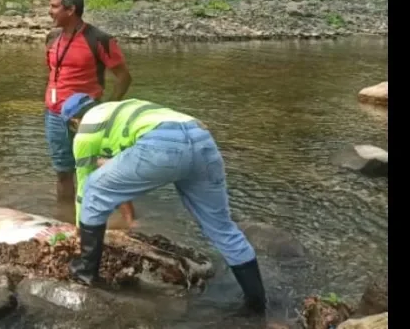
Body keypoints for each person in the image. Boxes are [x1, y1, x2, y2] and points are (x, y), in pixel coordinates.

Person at [60, 93, 267, 315]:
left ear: (74, 122)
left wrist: (80, 228)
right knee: (223, 228)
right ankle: (257, 306)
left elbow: (85, 188)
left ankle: (85, 272)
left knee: (94, 188)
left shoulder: (85, 132)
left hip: (162, 146)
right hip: (201, 137)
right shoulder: (120, 110)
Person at [44, 0, 132, 204]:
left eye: (54, 6)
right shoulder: (52, 38)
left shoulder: (99, 39)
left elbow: (124, 78)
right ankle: (65, 219)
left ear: (71, 10)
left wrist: (108, 109)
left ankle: (113, 220)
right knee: (63, 172)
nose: (49, 11)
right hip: (54, 115)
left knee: (99, 168)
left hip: (87, 116)